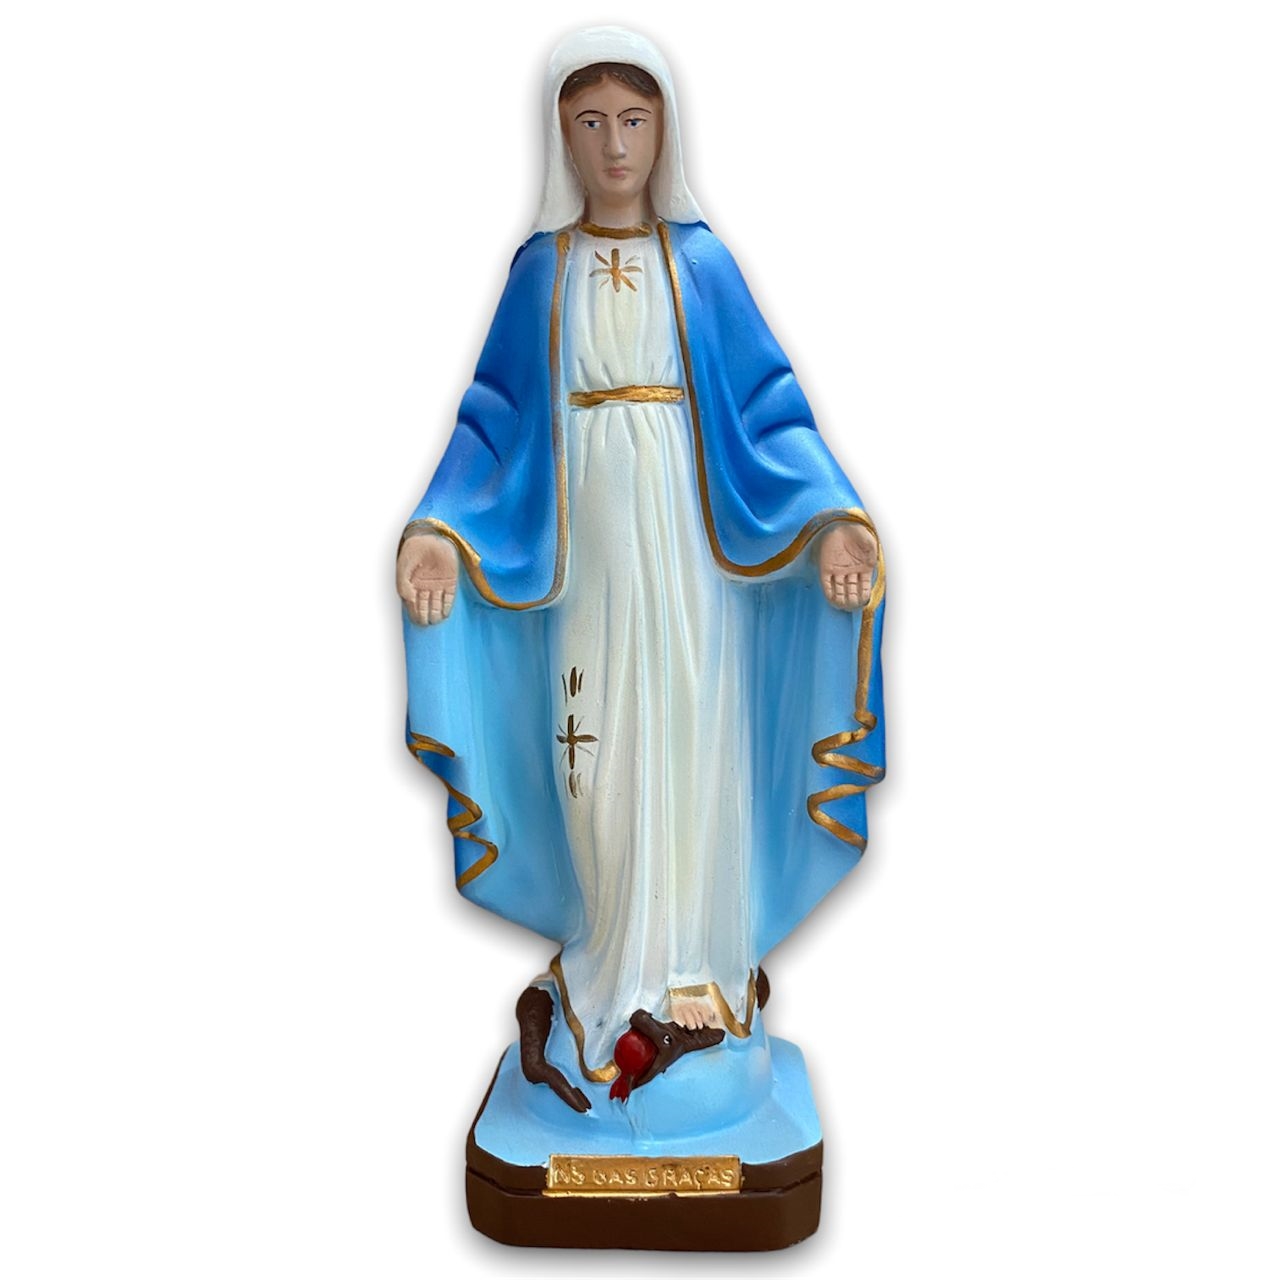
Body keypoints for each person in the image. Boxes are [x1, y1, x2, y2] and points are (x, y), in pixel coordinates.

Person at [397, 27, 884, 1141]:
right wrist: (439, 532)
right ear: (558, 137)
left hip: (690, 559)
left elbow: (768, 409)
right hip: (589, 561)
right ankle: (608, 963)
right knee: (594, 754)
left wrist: (828, 520)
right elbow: (492, 421)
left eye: (632, 119)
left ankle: (696, 967)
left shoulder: (700, 265)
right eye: (589, 122)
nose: (613, 145)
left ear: (665, 130)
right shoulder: (541, 272)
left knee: (691, 737)